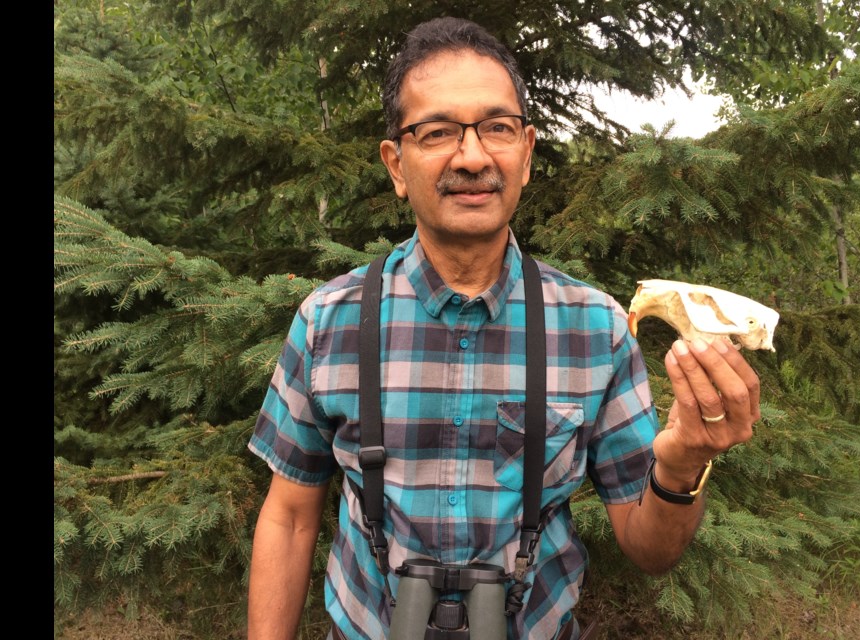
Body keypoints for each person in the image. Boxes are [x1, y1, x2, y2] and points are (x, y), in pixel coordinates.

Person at [247, 17, 760, 640]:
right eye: (437, 132)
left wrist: (681, 467)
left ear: (526, 154)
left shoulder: (596, 328)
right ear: (396, 165)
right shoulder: (330, 320)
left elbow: (651, 550)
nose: (472, 156)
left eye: (497, 128)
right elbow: (291, 516)